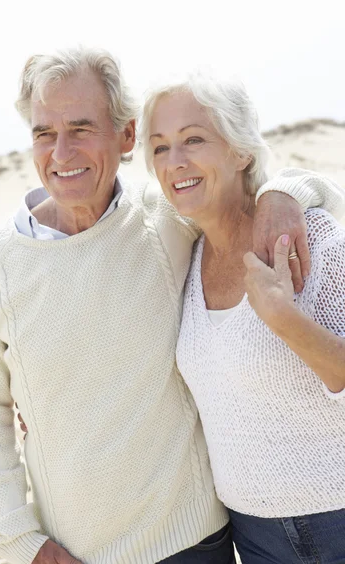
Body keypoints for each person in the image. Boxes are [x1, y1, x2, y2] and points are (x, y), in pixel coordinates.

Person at [0, 47, 345, 564]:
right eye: (43, 133)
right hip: (75, 552)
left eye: (81, 128)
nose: (61, 152)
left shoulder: (163, 219)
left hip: (198, 541)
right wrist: (18, 539)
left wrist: (284, 192)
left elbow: (233, 187)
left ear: (124, 136)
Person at [142, 71, 345, 564]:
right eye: (160, 147)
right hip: (250, 534)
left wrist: (284, 320)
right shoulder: (185, 257)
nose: (177, 162)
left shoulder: (309, 239)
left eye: (194, 139)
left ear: (241, 151)